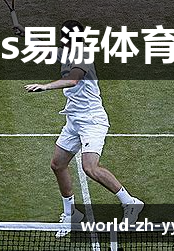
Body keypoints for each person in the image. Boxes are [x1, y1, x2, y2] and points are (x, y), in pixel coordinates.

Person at [22, 20, 143, 238]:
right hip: (74, 120)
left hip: (92, 121)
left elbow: (73, 80)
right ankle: (71, 214)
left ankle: (130, 202)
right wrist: (24, 33)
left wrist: (45, 86)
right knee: (58, 165)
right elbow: (45, 48)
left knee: (90, 167)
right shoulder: (67, 52)